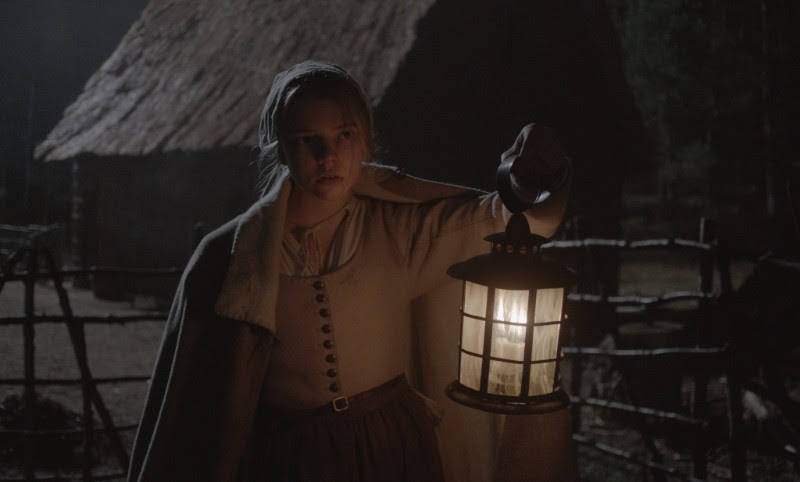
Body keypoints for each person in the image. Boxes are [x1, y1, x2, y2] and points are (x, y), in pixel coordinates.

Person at [128, 60, 574, 482]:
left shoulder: (398, 231)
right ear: (280, 147)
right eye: (308, 139)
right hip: (294, 459)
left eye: (343, 135)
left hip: (391, 446)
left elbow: (505, 220)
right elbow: (192, 409)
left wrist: (527, 177)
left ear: (364, 139)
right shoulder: (231, 256)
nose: (328, 156)